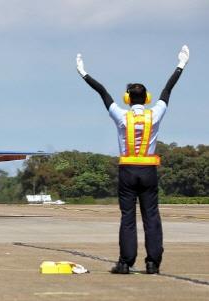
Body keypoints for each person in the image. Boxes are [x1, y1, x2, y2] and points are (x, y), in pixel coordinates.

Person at [75, 45, 190, 274]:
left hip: (127, 171)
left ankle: (125, 262)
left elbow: (103, 92)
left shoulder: (120, 115)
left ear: (127, 98)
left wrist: (83, 73)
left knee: (128, 217)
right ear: (146, 98)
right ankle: (152, 263)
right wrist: (181, 64)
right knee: (151, 217)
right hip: (148, 171)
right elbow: (168, 90)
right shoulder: (155, 113)